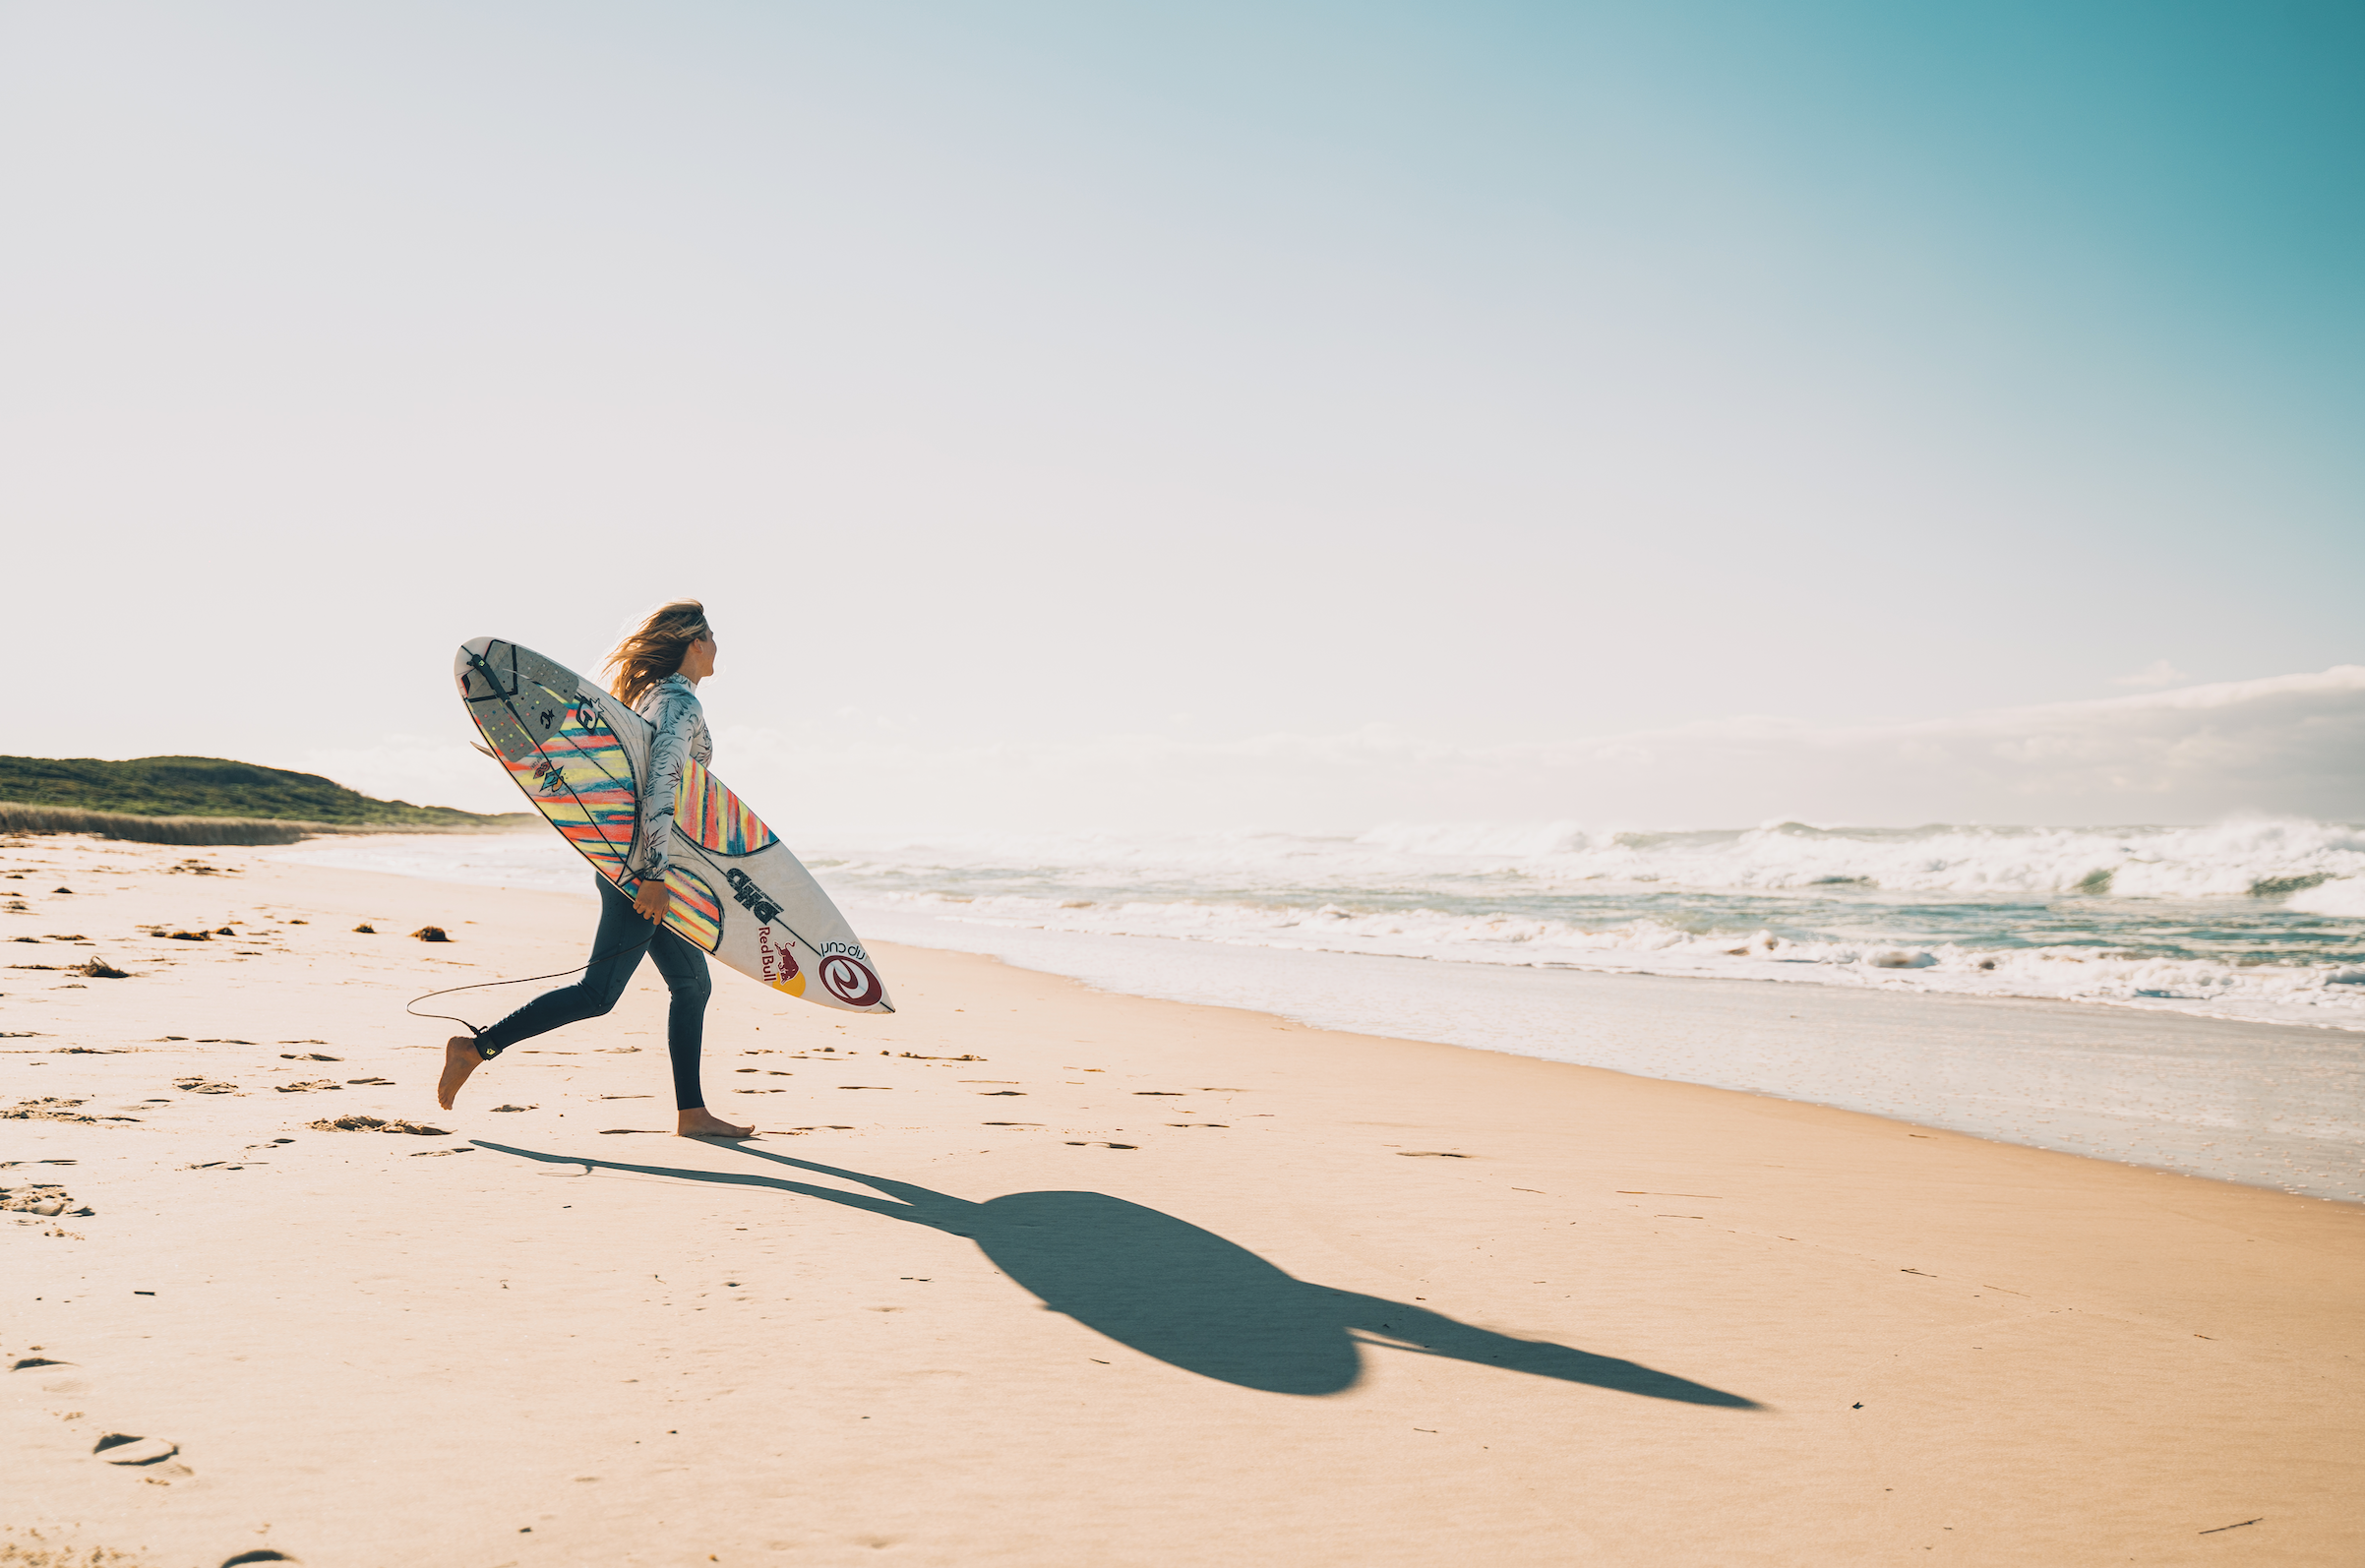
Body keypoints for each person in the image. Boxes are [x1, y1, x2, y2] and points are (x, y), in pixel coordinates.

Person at [438, 599, 752, 1138]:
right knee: (597, 994)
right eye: (713, 636)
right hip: (642, 871)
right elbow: (660, 785)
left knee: (691, 985)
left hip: (633, 864)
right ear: (694, 642)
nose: (719, 646)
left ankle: (692, 1114)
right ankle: (476, 1047)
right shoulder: (678, 705)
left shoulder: (653, 701)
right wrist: (653, 874)